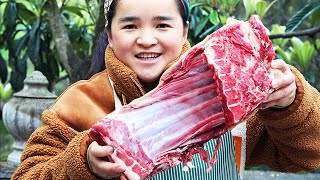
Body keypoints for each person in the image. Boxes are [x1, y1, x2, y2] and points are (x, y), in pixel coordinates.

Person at [12, 0, 320, 179]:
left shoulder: (233, 94)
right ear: (110, 33)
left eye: (162, 25)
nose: (147, 39)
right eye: (130, 26)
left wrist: (290, 104)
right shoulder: (81, 102)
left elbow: (310, 155)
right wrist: (84, 162)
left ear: (185, 29)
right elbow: (27, 175)